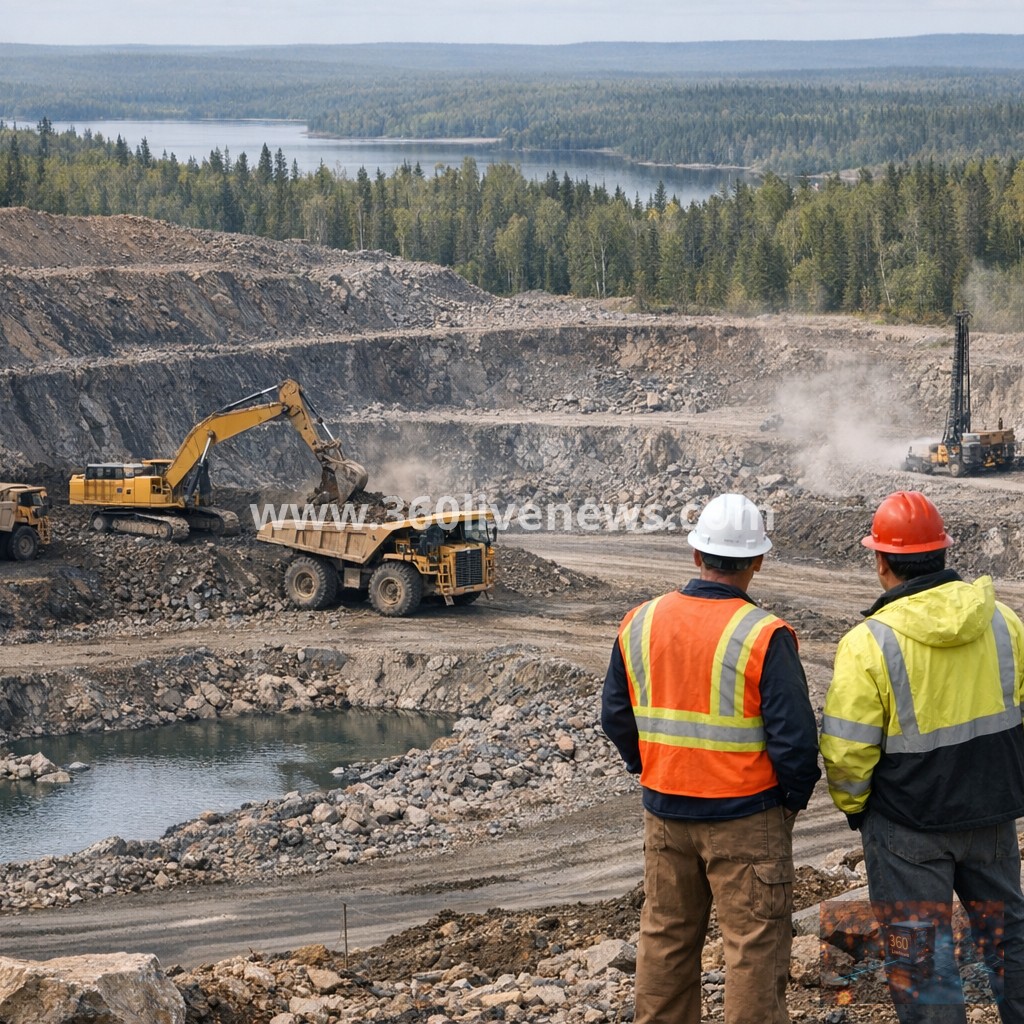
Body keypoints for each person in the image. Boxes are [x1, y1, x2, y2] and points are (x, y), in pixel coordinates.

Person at [601, 492, 820, 1024]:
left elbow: (615, 716)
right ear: (758, 561)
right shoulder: (764, 635)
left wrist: (650, 767)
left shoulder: (640, 621)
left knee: (665, 940)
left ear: (696, 555)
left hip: (666, 814)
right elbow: (795, 741)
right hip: (747, 817)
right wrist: (788, 804)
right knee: (753, 950)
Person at [820, 490, 1024, 1023]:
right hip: (993, 816)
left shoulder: (868, 644)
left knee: (923, 960)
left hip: (907, 827)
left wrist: (856, 807)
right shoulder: (1003, 621)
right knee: (1010, 943)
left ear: (881, 561)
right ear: (943, 552)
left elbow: (846, 753)